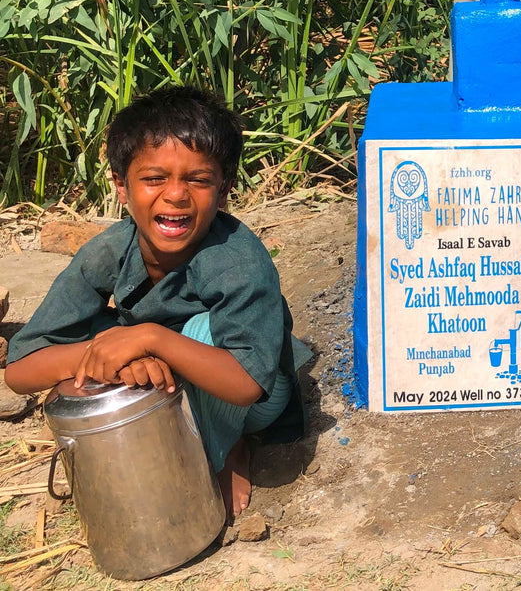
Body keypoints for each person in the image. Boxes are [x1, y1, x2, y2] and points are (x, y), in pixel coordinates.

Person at [5, 86, 309, 522]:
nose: (176, 195)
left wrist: (147, 339)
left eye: (198, 179)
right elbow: (19, 370)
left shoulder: (237, 259)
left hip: (251, 390)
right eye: (153, 178)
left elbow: (246, 383)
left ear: (224, 190)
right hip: (172, 376)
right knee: (98, 337)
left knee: (199, 330)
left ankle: (229, 450)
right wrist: (108, 353)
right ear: (121, 187)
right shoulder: (109, 251)